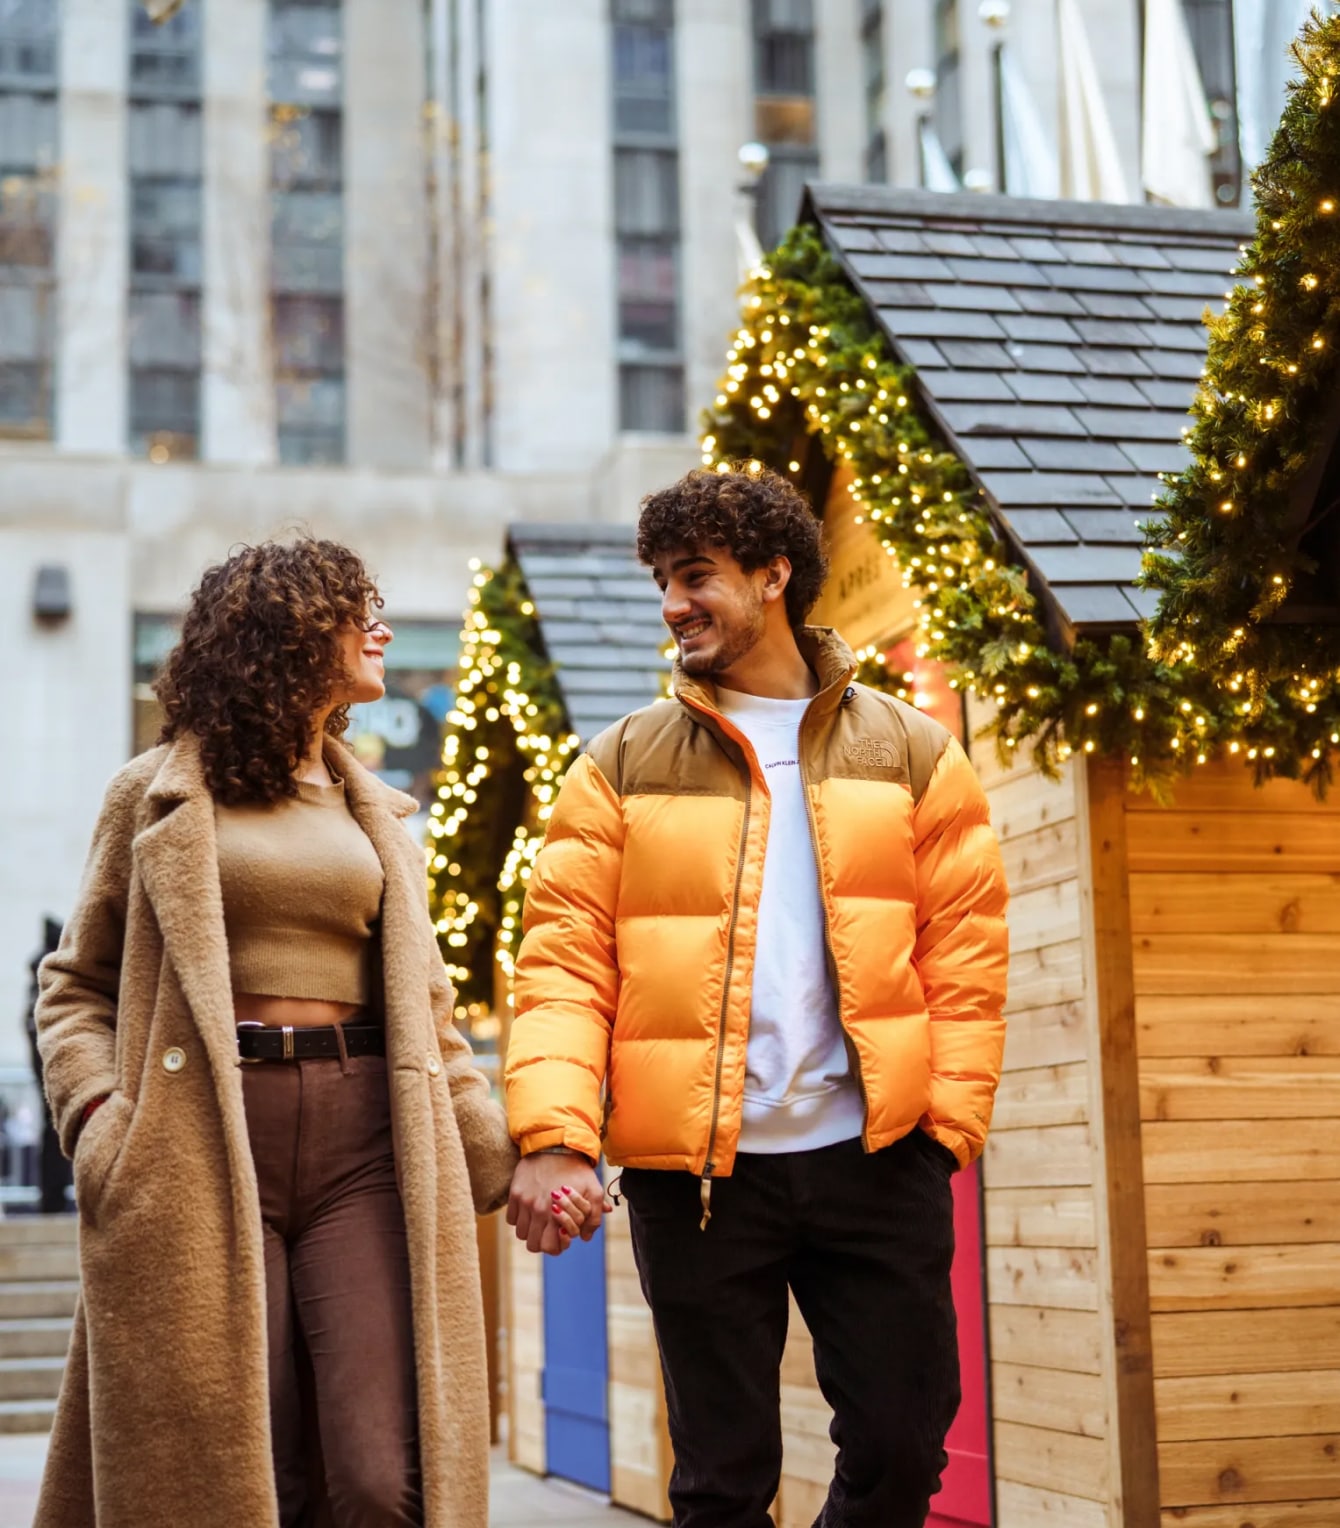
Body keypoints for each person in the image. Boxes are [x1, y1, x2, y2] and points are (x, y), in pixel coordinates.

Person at [505, 467, 1009, 1527]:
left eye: (695, 576)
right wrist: (553, 1133)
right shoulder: (617, 766)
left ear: (773, 574)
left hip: (875, 1163)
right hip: (696, 1181)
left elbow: (965, 954)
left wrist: (942, 1131)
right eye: (661, 580)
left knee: (900, 1443)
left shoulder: (913, 752)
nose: (670, 604)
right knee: (721, 1480)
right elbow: (561, 963)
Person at [32, 538, 540, 1528]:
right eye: (359, 611)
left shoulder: (378, 813)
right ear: (289, 632)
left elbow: (428, 1020)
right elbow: (74, 983)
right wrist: (100, 1121)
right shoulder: (153, 795)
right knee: (232, 1466)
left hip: (363, 1146)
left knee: (378, 1474)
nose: (381, 629)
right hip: (197, 1143)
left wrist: (507, 1157)